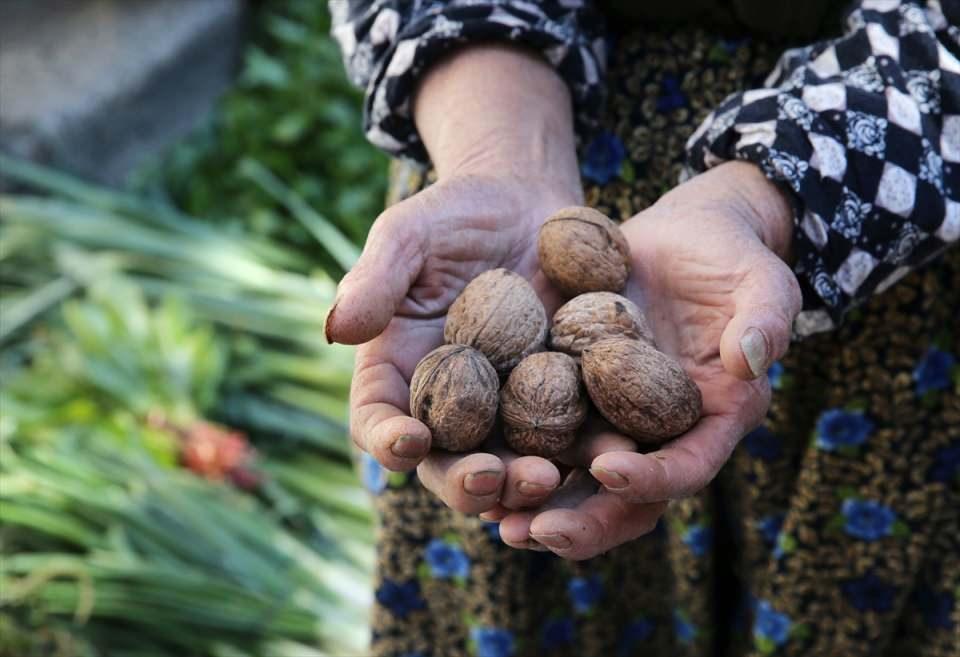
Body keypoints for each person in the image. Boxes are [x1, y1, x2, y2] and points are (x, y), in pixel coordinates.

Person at [325, 1, 960, 655]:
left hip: (856, 194)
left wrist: (766, 195)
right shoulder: (511, 318)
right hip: (513, 134)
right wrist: (498, 146)